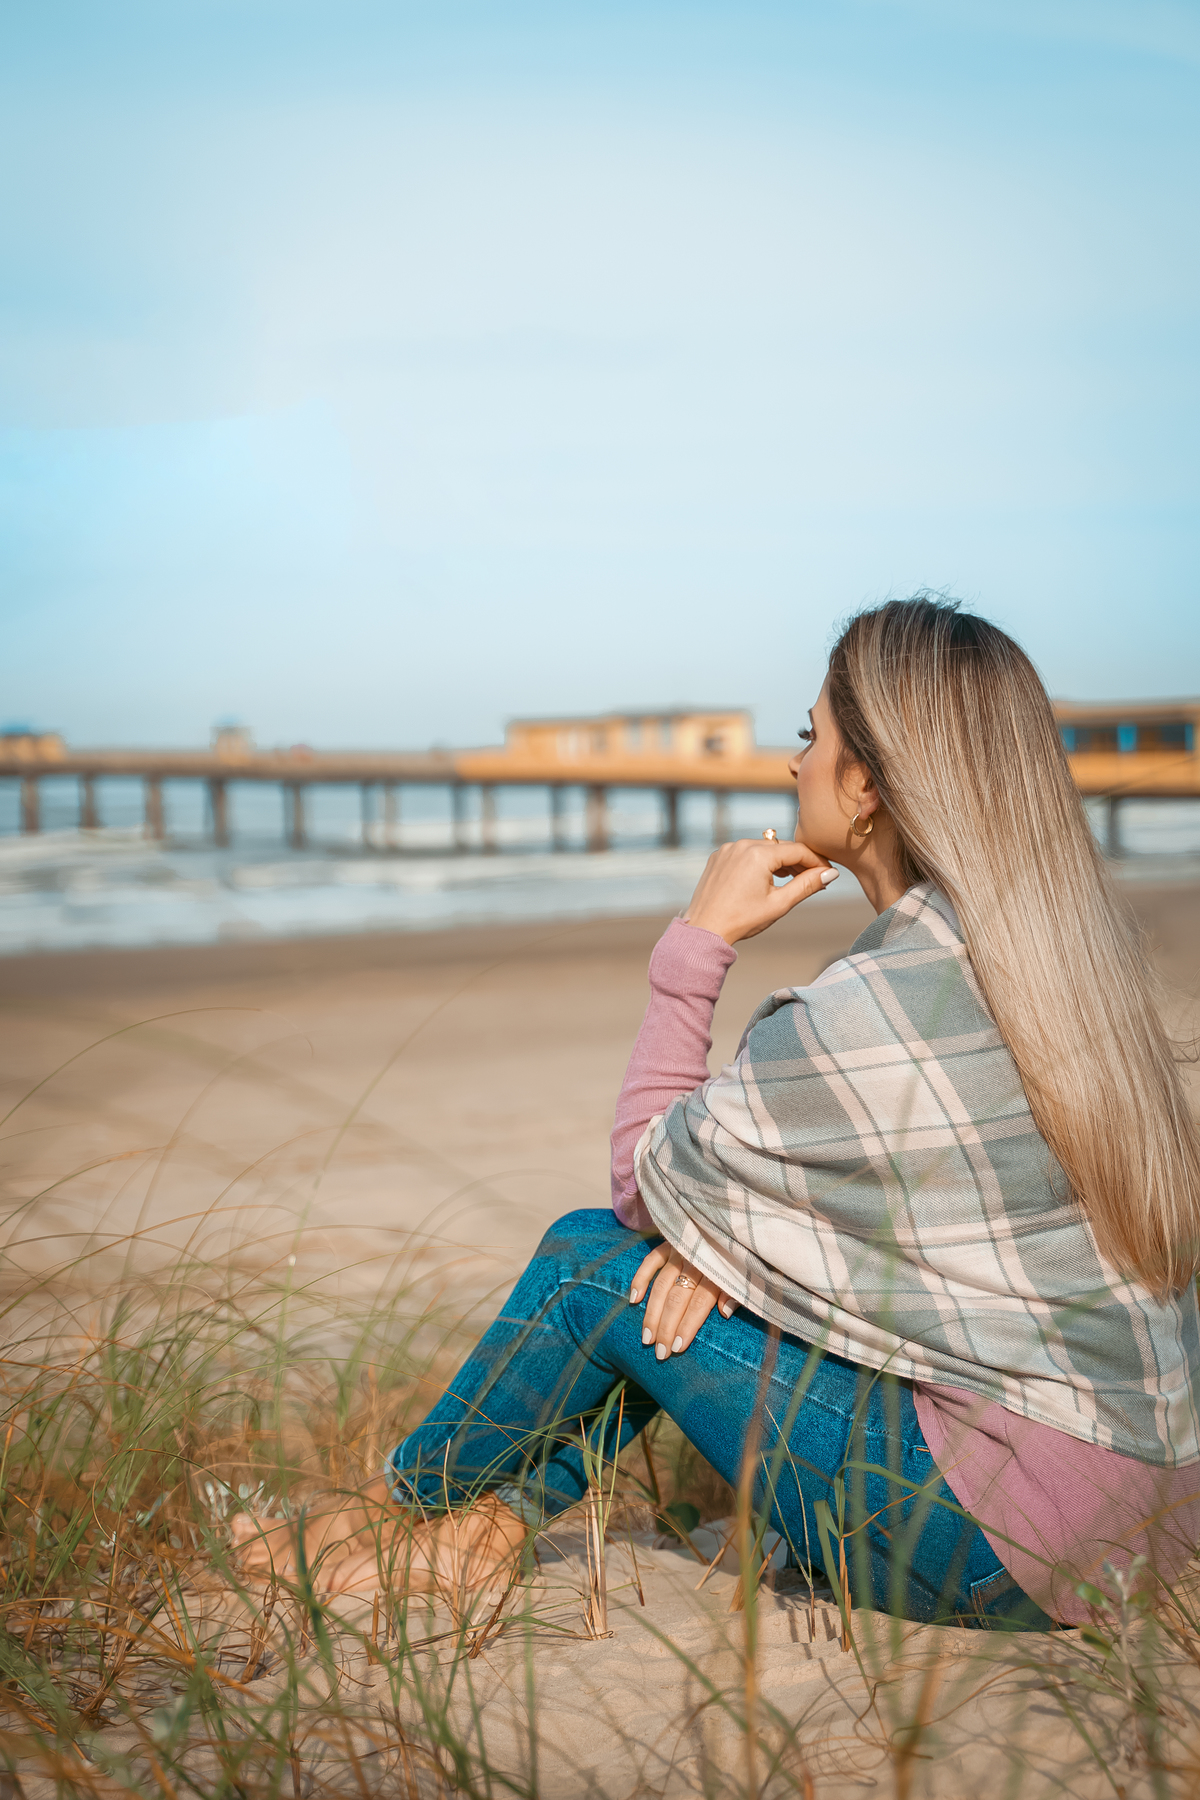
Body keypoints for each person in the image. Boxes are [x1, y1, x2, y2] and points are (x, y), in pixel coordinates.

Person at [235, 596, 1200, 1628]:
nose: (793, 764)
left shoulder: (873, 1010)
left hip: (1003, 1549)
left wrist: (695, 945)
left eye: (810, 737)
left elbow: (643, 1185)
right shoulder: (1059, 965)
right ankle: (488, 1532)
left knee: (591, 1266)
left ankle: (390, 1515)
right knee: (682, 1268)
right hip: (1154, 1515)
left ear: (867, 786)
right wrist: (721, 1250)